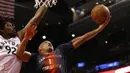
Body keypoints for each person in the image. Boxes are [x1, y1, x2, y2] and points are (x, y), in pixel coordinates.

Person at [17, 15, 111, 73]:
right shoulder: (35, 57)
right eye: (46, 43)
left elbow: (83, 38)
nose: (49, 43)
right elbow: (19, 54)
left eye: (50, 43)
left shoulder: (60, 50)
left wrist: (99, 29)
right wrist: (26, 38)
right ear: (39, 49)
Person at [0, 4, 48, 73]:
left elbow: (36, 18)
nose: (12, 27)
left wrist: (46, 3)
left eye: (12, 25)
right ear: (2, 30)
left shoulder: (18, 36)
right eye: (8, 25)